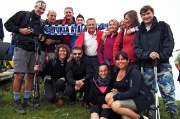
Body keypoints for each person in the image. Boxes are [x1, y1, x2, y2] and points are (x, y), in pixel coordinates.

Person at [134, 5, 178, 119]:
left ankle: (172, 114)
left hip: (163, 65)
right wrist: (148, 54)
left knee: (168, 91)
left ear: (152, 13)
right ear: (141, 16)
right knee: (149, 92)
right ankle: (151, 114)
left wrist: (160, 55)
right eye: (143, 14)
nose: (146, 16)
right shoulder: (140, 30)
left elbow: (169, 44)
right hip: (147, 66)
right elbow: (137, 49)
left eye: (148, 13)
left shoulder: (163, 26)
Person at [4, 0, 46, 114]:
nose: (41, 10)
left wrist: (41, 37)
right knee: (19, 74)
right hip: (21, 48)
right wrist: (20, 30)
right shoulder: (23, 14)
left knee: (31, 75)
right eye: (40, 8)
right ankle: (16, 101)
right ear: (35, 7)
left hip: (33, 50)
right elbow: (7, 24)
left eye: (43, 9)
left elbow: (40, 35)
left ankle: (27, 99)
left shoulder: (41, 22)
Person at [105, 51, 154, 119]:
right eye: (118, 59)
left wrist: (115, 97)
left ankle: (139, 117)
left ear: (128, 60)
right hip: (128, 95)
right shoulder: (117, 71)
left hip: (139, 99)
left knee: (115, 105)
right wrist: (117, 89)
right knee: (108, 96)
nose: (120, 61)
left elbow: (134, 91)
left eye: (123, 59)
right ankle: (125, 115)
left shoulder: (134, 72)